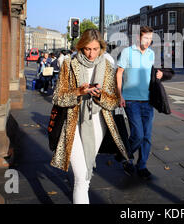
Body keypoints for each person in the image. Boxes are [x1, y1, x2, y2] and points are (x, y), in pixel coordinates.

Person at [50, 29, 129, 204]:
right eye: (87, 49)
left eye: (95, 49)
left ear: (101, 47)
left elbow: (113, 102)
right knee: (81, 177)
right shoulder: (69, 64)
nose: (91, 54)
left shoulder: (108, 66)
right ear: (80, 47)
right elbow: (57, 97)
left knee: (86, 176)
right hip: (72, 123)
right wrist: (79, 92)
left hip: (97, 123)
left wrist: (99, 95)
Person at [116, 26, 163, 180]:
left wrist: (159, 74)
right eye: (145, 38)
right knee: (138, 135)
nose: (148, 41)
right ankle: (125, 155)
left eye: (150, 38)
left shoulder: (151, 53)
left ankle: (141, 165)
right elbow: (119, 73)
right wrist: (119, 94)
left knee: (147, 136)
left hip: (148, 101)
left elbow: (150, 73)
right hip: (131, 100)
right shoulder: (126, 52)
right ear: (138, 38)